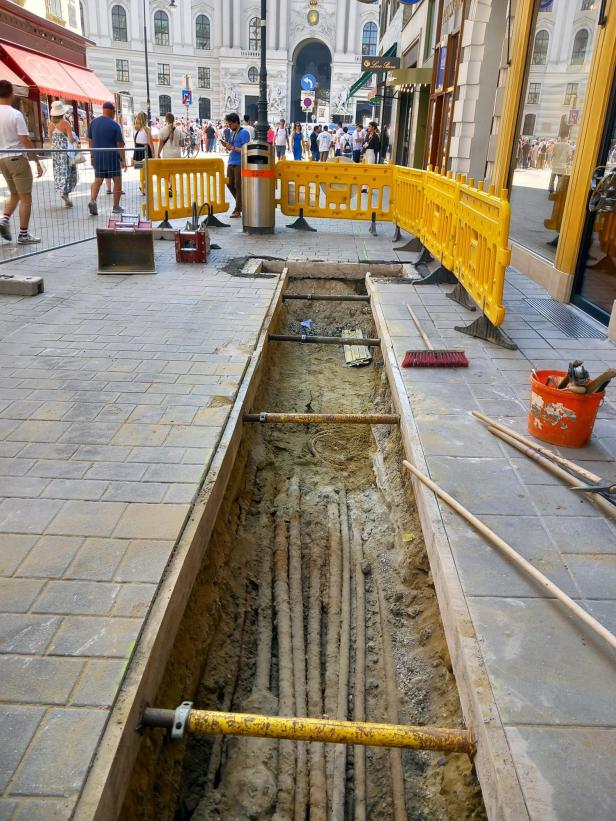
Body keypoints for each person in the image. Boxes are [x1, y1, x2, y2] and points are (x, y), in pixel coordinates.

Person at [0, 80, 43, 244]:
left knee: (15, 194)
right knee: (26, 197)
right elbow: (24, 139)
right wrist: (37, 161)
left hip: (2, 159)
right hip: (17, 157)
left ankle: (4, 219)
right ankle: (23, 234)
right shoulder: (15, 114)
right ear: (11, 94)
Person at [87, 100, 126, 216]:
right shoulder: (114, 125)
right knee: (117, 181)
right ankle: (116, 206)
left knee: (98, 180)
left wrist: (92, 155)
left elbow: (90, 140)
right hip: (112, 157)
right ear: (112, 112)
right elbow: (120, 144)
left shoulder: (93, 123)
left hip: (98, 156)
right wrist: (123, 160)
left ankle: (93, 200)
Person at [48, 100, 78, 208]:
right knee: (69, 173)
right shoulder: (65, 123)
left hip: (56, 153)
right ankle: (66, 195)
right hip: (66, 152)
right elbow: (70, 139)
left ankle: (63, 194)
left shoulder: (50, 124)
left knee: (59, 173)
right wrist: (75, 140)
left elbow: (51, 139)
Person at [221, 112, 250, 218]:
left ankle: (238, 209)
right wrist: (227, 146)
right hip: (231, 161)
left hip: (239, 162)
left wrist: (232, 148)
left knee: (238, 185)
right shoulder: (233, 133)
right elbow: (233, 146)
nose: (229, 126)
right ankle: (241, 204)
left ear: (236, 122)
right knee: (229, 183)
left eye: (230, 124)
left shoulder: (244, 133)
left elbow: (245, 149)